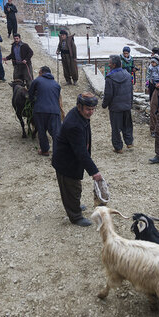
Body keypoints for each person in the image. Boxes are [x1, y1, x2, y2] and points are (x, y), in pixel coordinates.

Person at [52, 93, 103, 227]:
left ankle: (75, 205)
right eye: (88, 109)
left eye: (93, 109)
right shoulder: (74, 124)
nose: (91, 112)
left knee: (75, 187)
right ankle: (75, 216)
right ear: (79, 107)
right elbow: (81, 152)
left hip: (72, 159)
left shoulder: (79, 115)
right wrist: (94, 172)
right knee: (70, 188)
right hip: (66, 161)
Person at [28, 66, 63, 156]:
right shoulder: (56, 84)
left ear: (41, 72)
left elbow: (30, 94)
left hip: (40, 110)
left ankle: (45, 150)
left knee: (42, 130)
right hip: (55, 111)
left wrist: (33, 102)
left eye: (39, 72)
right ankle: (57, 153)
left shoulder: (37, 80)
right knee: (56, 133)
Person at [102, 55, 134, 154]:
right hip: (126, 105)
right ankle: (129, 142)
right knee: (127, 125)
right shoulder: (128, 75)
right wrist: (130, 103)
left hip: (115, 108)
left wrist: (104, 104)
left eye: (109, 63)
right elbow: (131, 91)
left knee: (116, 128)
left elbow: (108, 94)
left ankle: (118, 147)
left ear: (114, 65)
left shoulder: (110, 78)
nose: (108, 64)